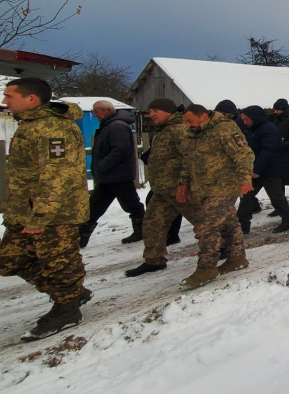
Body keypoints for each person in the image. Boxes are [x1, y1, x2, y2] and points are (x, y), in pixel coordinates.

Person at [0, 78, 91, 341]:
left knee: (58, 262)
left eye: (9, 96)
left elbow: (57, 175)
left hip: (53, 213)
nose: (5, 101)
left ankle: (67, 308)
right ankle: (72, 294)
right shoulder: (31, 124)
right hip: (25, 211)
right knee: (8, 259)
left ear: (31, 99)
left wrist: (41, 215)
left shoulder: (52, 128)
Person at [176, 104, 254, 288]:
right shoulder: (194, 135)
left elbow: (243, 154)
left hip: (224, 186)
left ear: (203, 116)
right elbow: (188, 161)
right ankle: (236, 257)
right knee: (229, 222)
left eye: (190, 120)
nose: (188, 125)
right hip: (203, 188)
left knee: (206, 226)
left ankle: (207, 267)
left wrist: (244, 179)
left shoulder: (224, 128)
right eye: (185, 122)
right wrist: (183, 183)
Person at [126, 98, 198, 277]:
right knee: (152, 225)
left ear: (169, 111)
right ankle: (154, 260)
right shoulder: (163, 131)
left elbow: (190, 158)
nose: (151, 114)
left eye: (155, 110)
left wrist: (184, 184)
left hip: (180, 189)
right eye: (150, 111)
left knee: (204, 223)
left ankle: (225, 248)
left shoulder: (179, 130)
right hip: (162, 191)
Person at [79, 100, 145, 247]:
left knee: (131, 205)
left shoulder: (117, 126)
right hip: (108, 177)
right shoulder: (110, 125)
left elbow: (120, 150)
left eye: (96, 112)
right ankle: (80, 236)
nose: (95, 115)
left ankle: (142, 230)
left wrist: (102, 166)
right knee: (94, 206)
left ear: (106, 111)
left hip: (118, 176)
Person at [236, 105, 289, 234]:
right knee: (246, 197)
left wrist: (257, 169)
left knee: (276, 197)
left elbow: (268, 151)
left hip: (270, 170)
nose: (244, 122)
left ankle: (288, 219)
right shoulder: (252, 129)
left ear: (254, 118)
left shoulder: (268, 129)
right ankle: (242, 225)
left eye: (246, 119)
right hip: (255, 170)